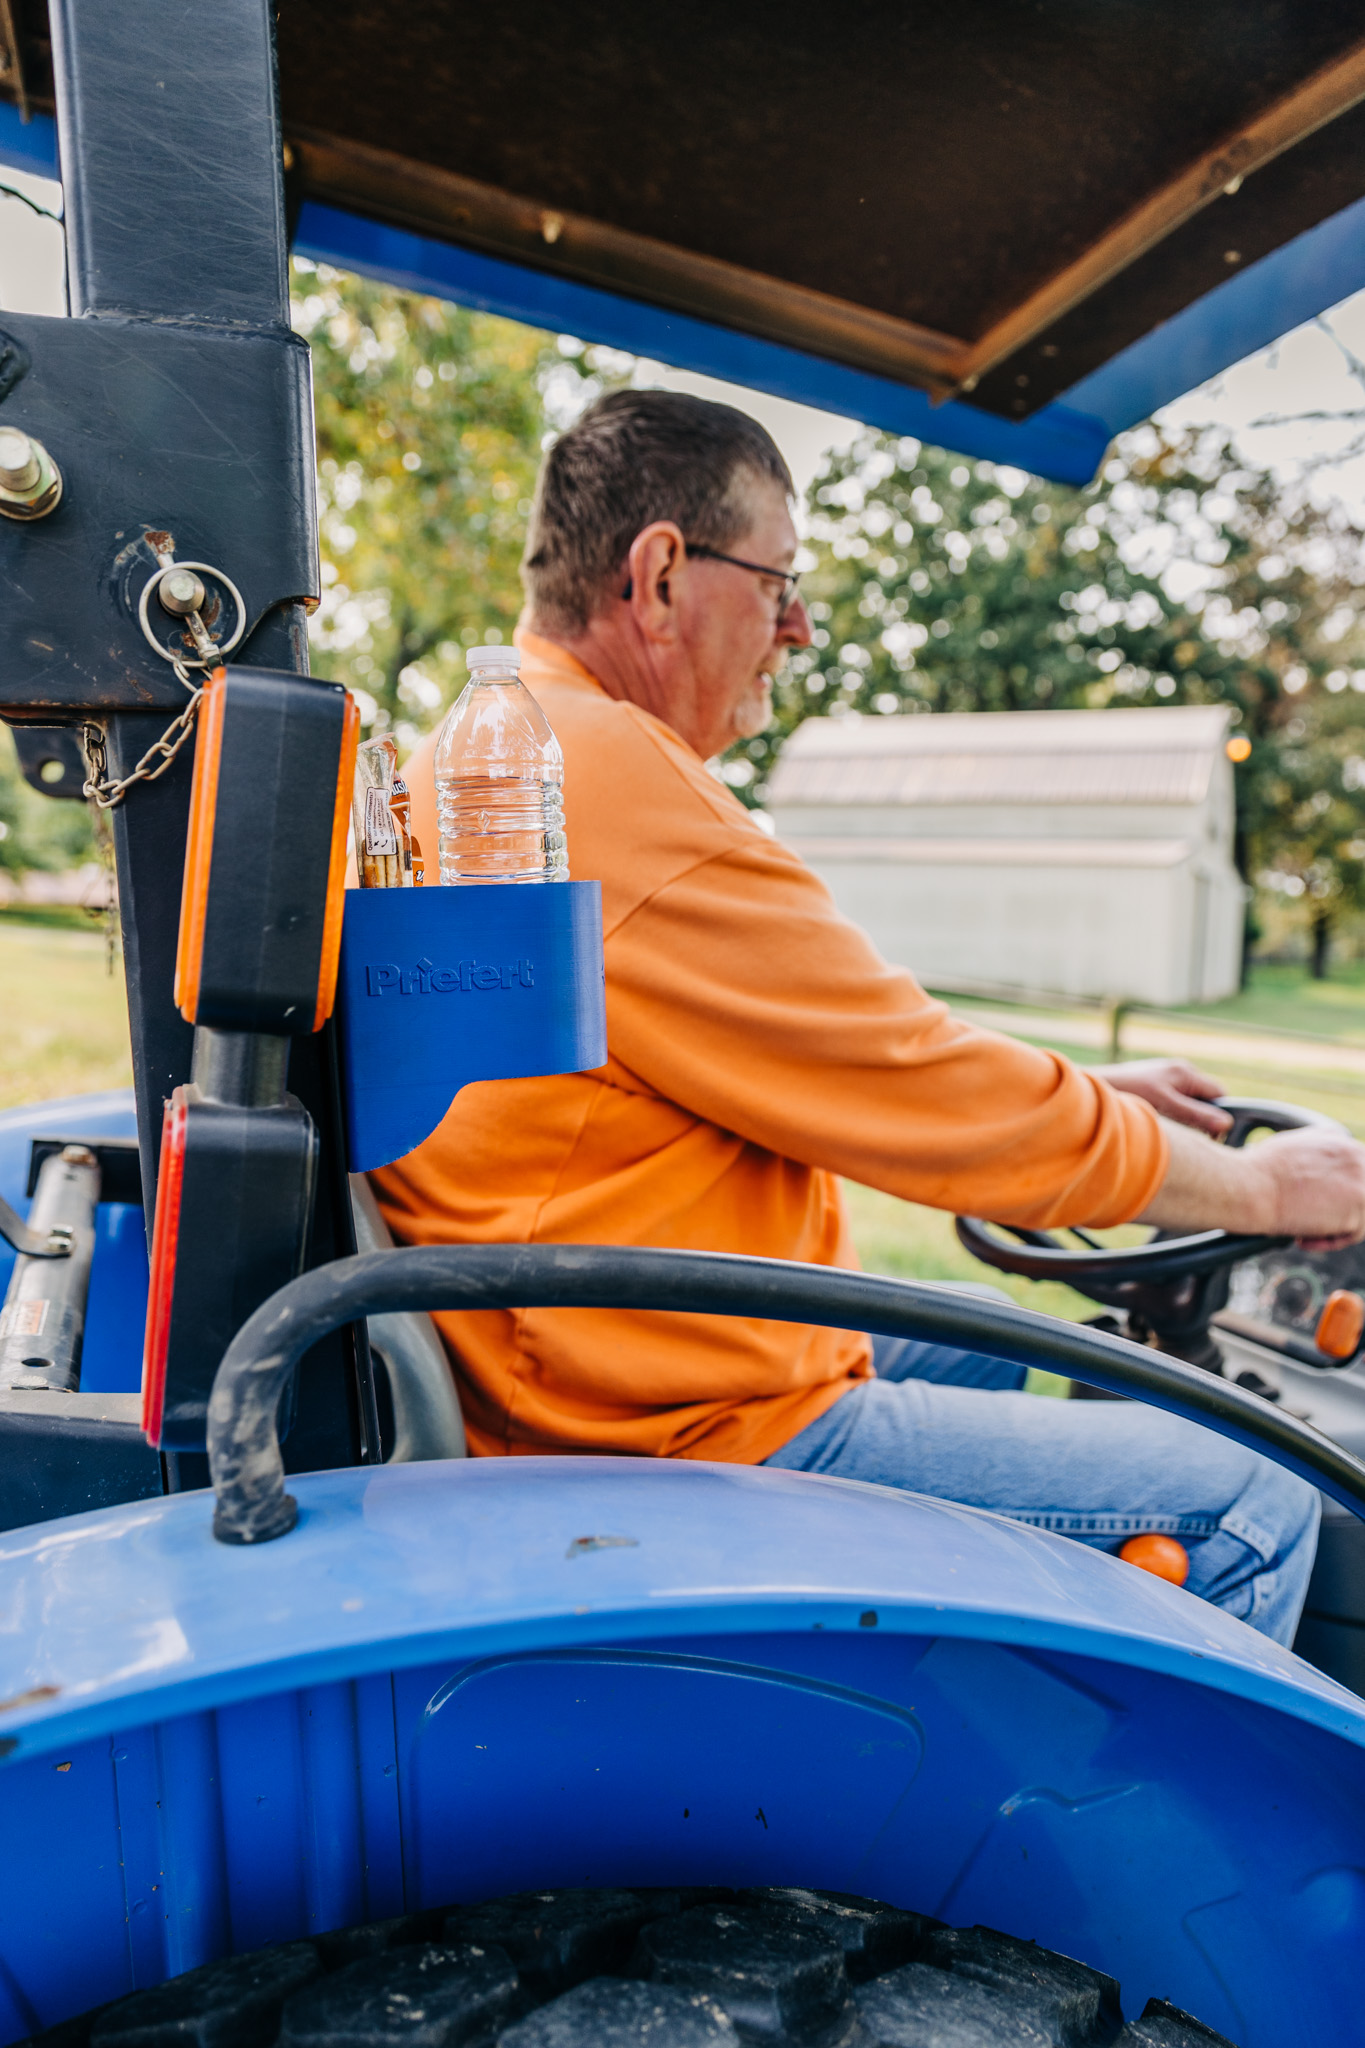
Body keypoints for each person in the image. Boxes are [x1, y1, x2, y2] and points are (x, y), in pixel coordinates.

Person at [377, 390, 1365, 1645]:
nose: (796, 628)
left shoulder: (516, 752)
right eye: (778, 582)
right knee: (1255, 1497)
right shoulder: (611, 789)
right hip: (668, 1428)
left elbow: (847, 1046)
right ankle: (1083, 1823)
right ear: (663, 573)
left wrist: (1092, 1092)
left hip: (614, 1354)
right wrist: (1263, 1191)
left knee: (1004, 1333)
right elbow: (921, 1088)